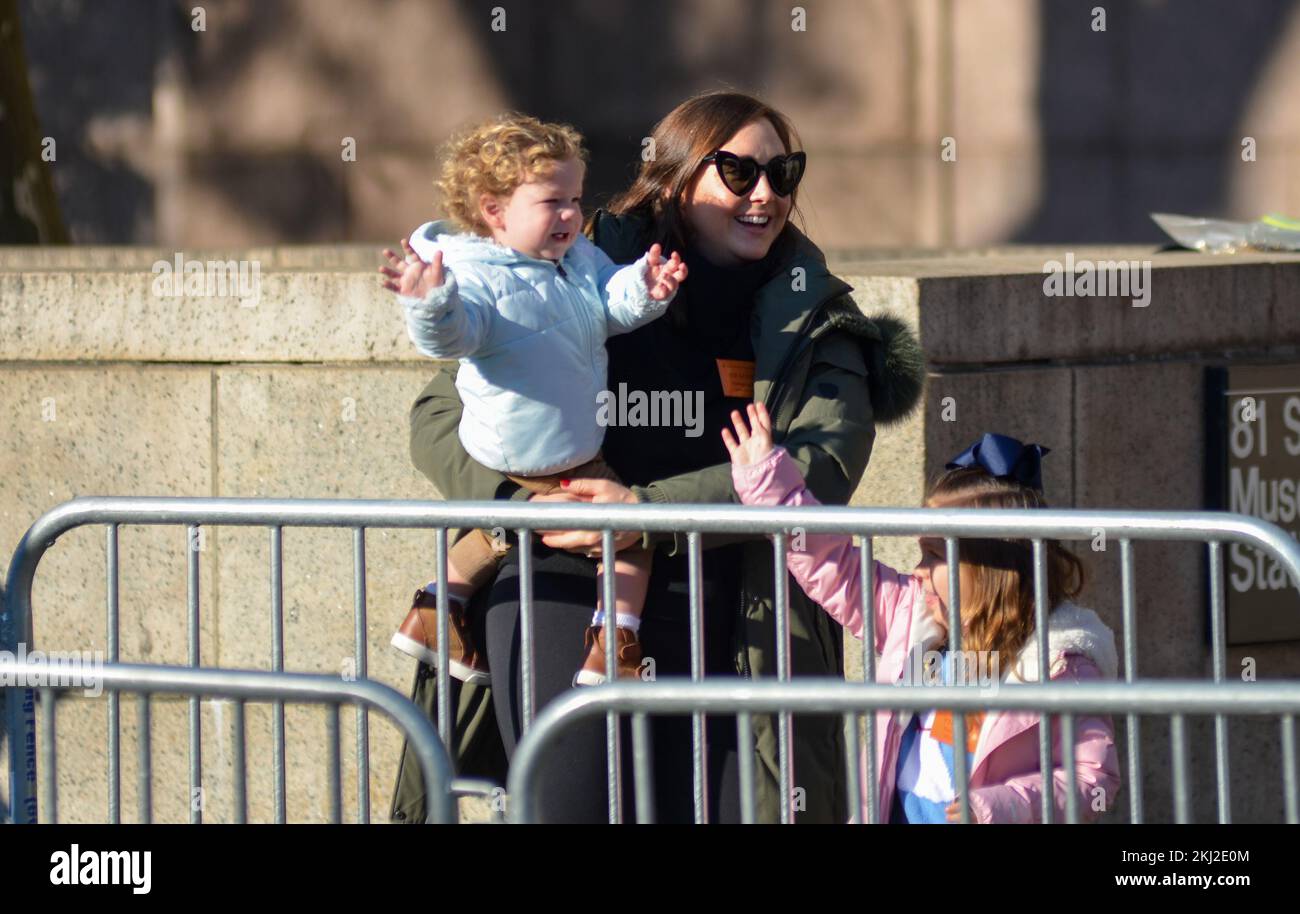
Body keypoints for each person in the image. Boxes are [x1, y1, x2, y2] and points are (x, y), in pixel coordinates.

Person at [387, 90, 925, 823]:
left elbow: (819, 469)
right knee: (569, 807)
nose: (766, 193)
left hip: (745, 617)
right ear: (675, 180)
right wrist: (517, 505)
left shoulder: (819, 317)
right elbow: (438, 413)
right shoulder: (570, 267)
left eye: (783, 172)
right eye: (737, 172)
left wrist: (644, 511)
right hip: (565, 588)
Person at [380, 113, 688, 687]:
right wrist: (429, 303)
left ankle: (433, 610)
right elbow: (454, 336)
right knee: (628, 540)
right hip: (534, 448)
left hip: (547, 446)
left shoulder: (574, 260)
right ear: (494, 211)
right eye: (552, 201)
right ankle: (615, 645)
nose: (571, 214)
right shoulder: (473, 275)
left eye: (574, 198)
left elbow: (610, 304)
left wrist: (646, 288)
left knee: (501, 530)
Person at [726, 406, 1122, 823]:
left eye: (933, 555)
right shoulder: (908, 613)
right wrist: (770, 485)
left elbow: (1092, 777)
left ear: (986, 568)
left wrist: (1004, 806)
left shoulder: (1060, 660)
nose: (917, 570)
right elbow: (832, 563)